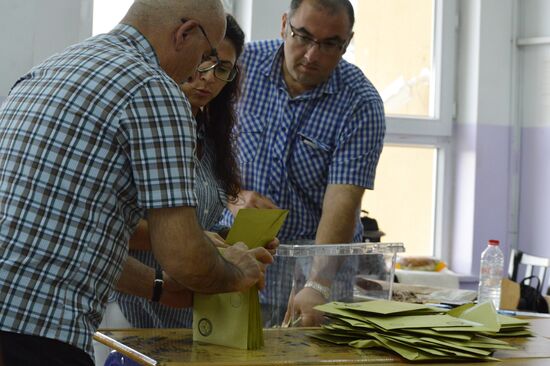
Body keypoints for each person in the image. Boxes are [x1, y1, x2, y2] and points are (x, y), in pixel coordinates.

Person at [0, 1, 273, 365]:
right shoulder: (155, 89)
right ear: (185, 33)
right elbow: (181, 254)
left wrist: (161, 288)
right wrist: (237, 271)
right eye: (205, 56)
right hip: (37, 333)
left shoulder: (54, 67)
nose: (202, 71)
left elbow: (74, 239)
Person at [219, 0, 386, 327]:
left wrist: (318, 284)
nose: (312, 55)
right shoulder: (240, 68)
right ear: (284, 25)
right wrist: (232, 196)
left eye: (329, 44)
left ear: (347, 42)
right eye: (303, 37)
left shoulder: (361, 103)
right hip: (235, 254)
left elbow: (343, 200)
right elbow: (201, 152)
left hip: (317, 267)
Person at [112, 13, 251, 329]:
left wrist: (231, 240)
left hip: (188, 313)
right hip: (131, 305)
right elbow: (115, 223)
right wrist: (192, 239)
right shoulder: (143, 122)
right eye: (205, 60)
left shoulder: (209, 137)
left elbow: (200, 218)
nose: (209, 77)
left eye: (223, 69)